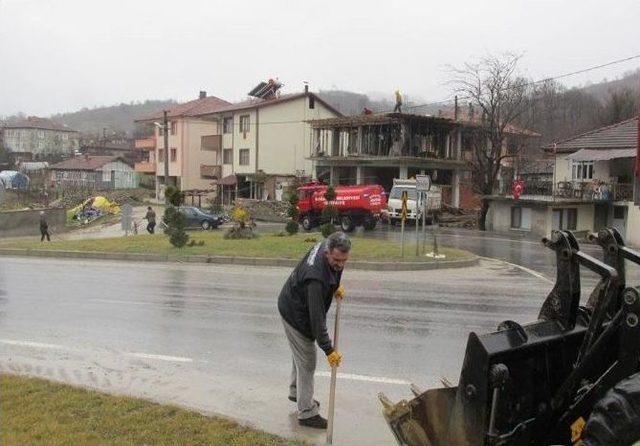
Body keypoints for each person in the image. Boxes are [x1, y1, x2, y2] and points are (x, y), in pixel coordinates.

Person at [278, 231, 350, 429]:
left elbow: (336, 271)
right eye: (337, 260)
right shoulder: (316, 278)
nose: (340, 264)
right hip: (294, 312)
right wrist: (329, 350)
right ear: (327, 253)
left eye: (344, 260)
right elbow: (317, 321)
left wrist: (335, 286)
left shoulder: (330, 246)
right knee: (308, 361)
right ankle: (307, 413)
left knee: (299, 356)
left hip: (294, 302)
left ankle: (296, 392)